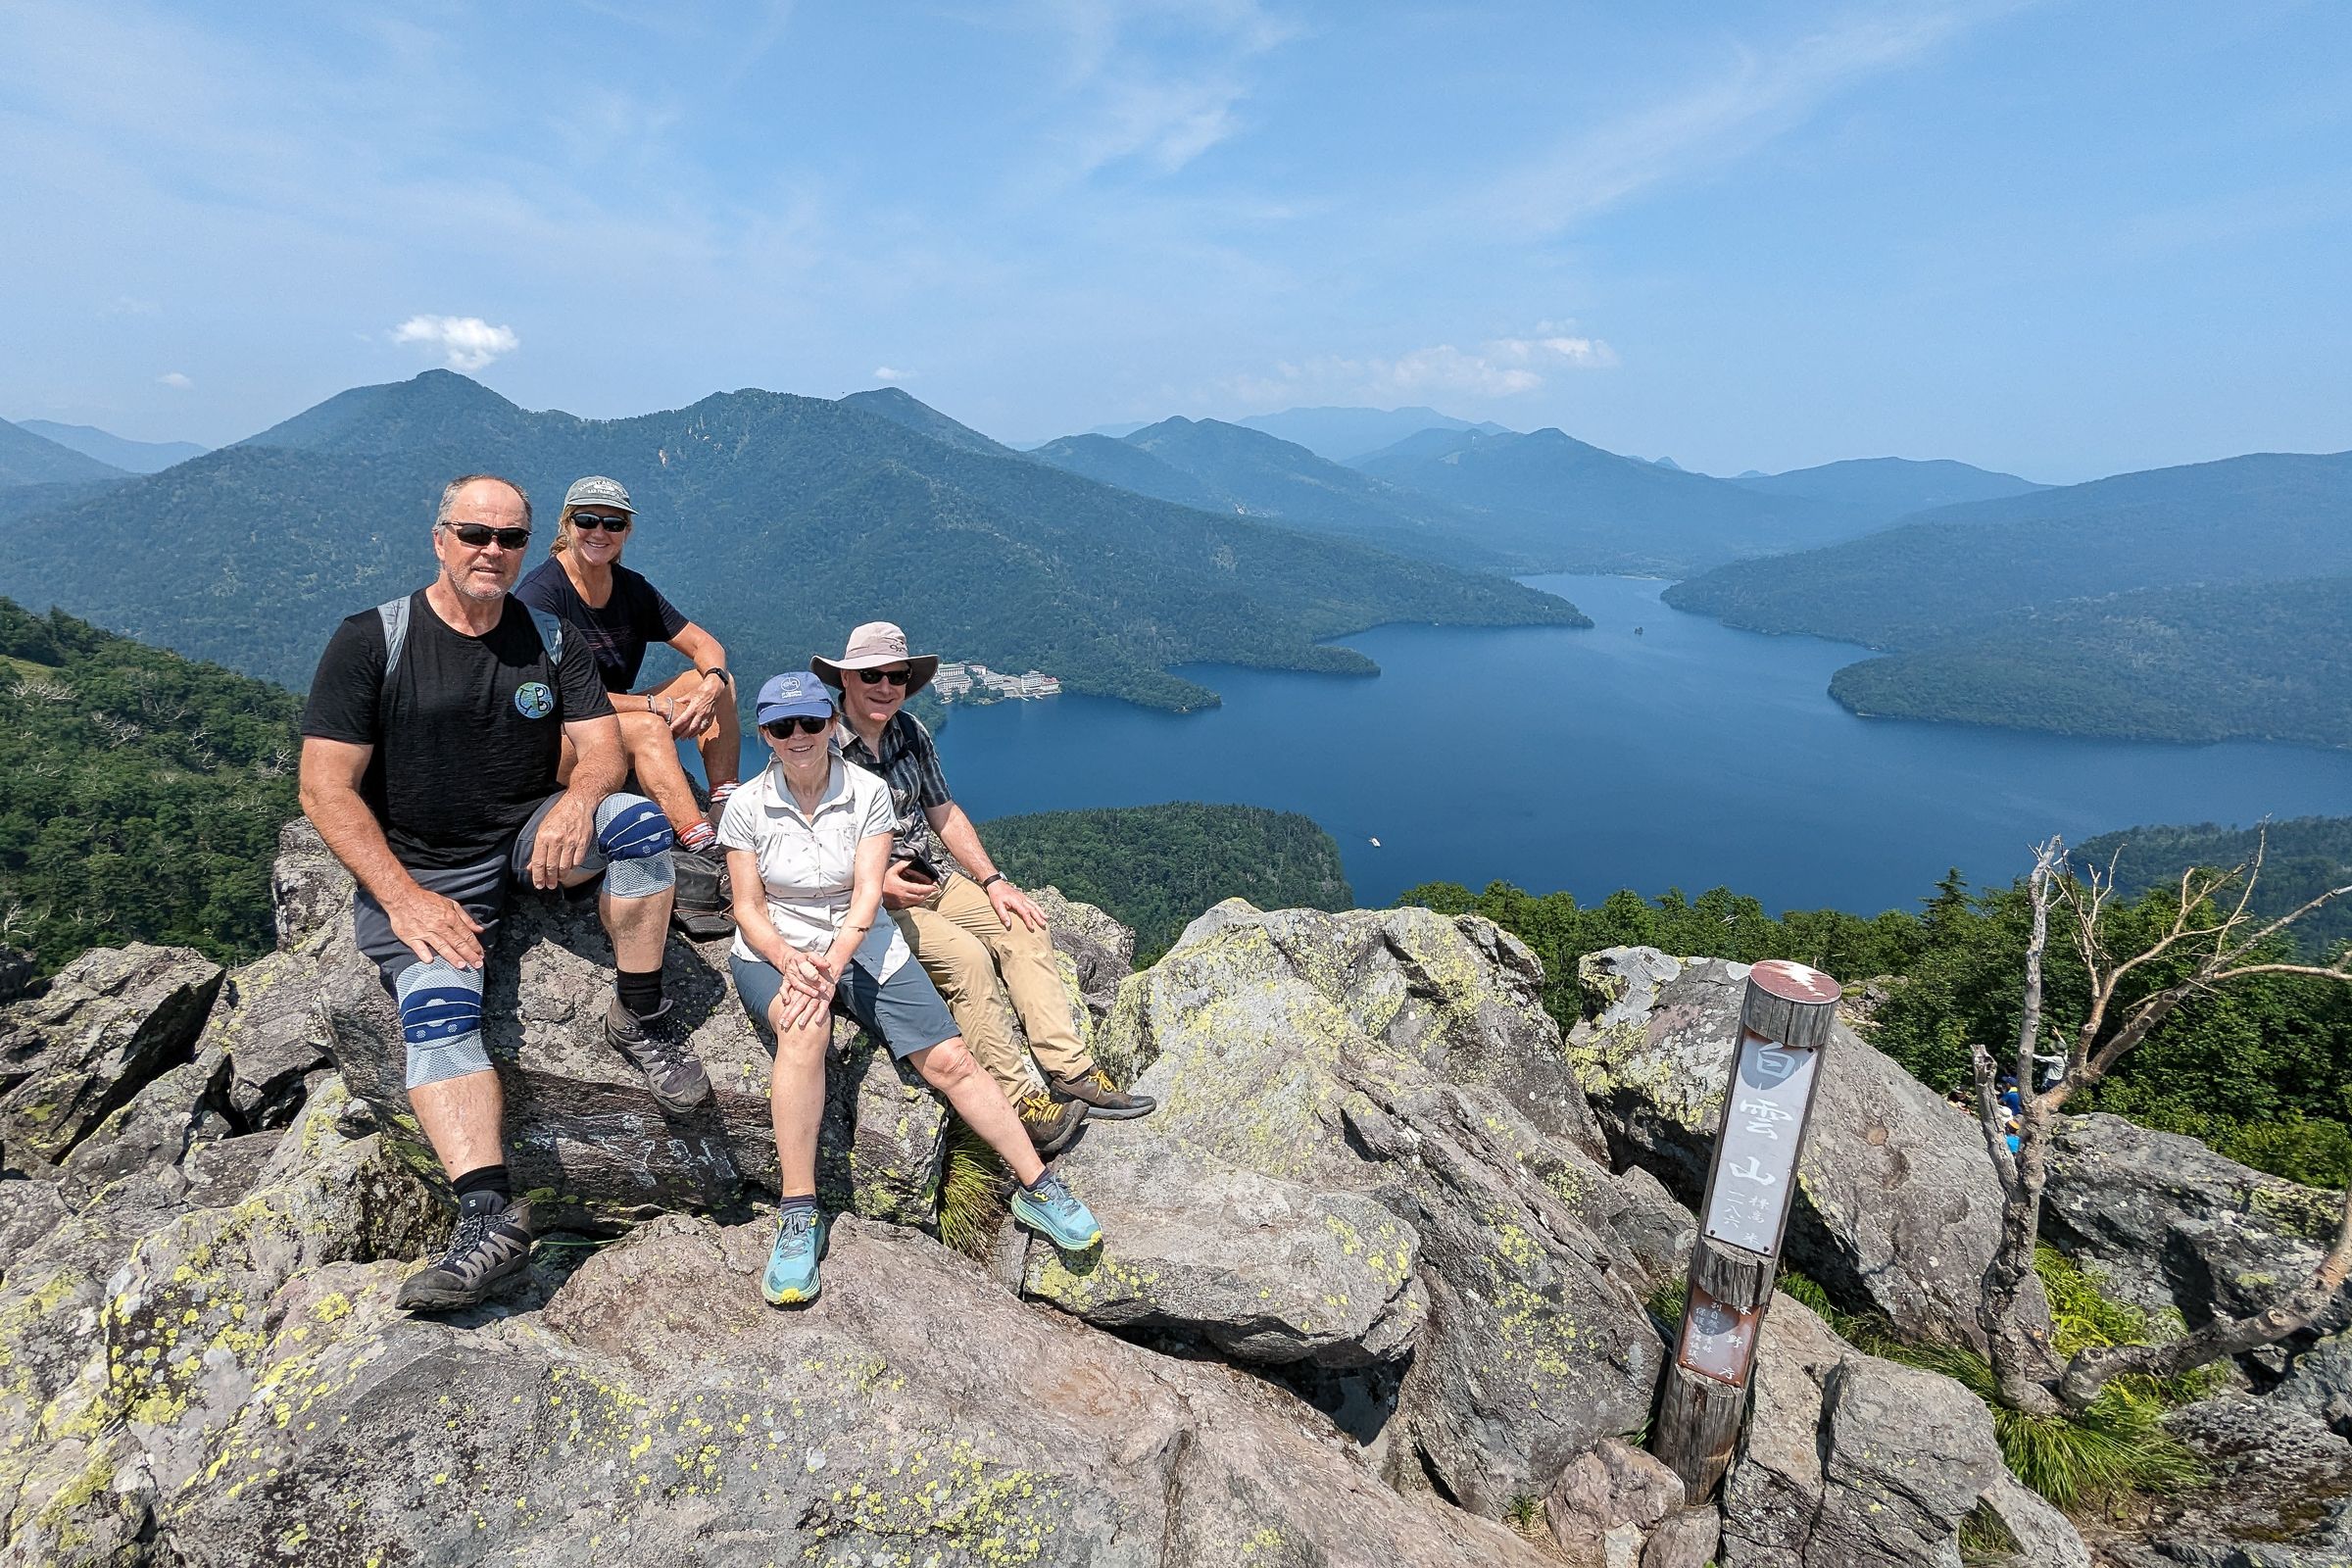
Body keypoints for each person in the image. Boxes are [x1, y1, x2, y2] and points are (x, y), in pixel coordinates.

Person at [300, 473, 711, 1312]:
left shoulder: (549, 637)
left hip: (531, 834)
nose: (492, 552)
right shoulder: (374, 639)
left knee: (636, 826)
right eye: (474, 535)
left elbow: (600, 747)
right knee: (441, 1017)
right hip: (430, 868)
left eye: (509, 539)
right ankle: (488, 1221)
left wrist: (579, 800)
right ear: (440, 539)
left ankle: (638, 1009)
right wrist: (403, 898)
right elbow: (325, 790)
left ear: (530, 543)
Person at [718, 671, 1103, 1305]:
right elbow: (748, 908)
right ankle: (797, 1214)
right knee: (804, 1027)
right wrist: (792, 961)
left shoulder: (867, 791)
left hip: (862, 943)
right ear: (765, 733)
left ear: (828, 725)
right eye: (782, 727)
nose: (799, 736)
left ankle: (1039, 1188)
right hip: (775, 951)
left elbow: (869, 891)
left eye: (810, 723)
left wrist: (836, 956)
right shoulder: (746, 807)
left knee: (950, 1058)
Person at [815, 621, 1155, 1152]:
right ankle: (1021, 1105)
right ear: (847, 679)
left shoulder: (910, 733)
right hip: (867, 898)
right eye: (872, 675)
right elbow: (801, 840)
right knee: (967, 960)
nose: (885, 686)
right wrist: (876, 884)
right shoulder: (818, 742)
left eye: (897, 676)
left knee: (1022, 926)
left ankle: (1071, 1070)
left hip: (929, 875)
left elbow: (942, 811)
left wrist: (993, 880)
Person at [515, 476, 740, 924]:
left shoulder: (631, 588)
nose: (599, 532)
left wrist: (712, 682)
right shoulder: (541, 596)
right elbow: (556, 696)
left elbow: (704, 645)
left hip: (607, 716)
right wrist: (651, 707)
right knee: (644, 726)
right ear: (566, 523)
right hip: (554, 739)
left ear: (626, 531)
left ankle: (723, 802)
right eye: (587, 520)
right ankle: (701, 845)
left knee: (720, 681)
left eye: (613, 523)